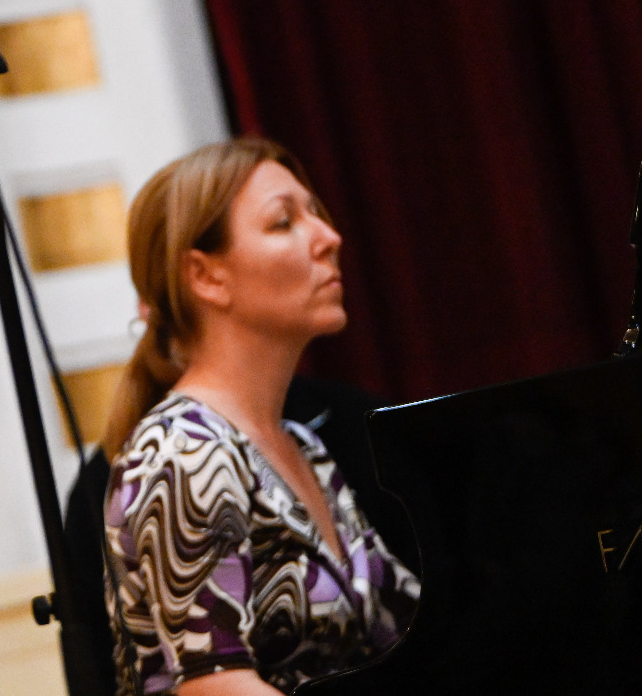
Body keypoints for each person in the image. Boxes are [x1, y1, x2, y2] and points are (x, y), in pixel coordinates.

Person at [99, 139, 421, 695]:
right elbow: (213, 688)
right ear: (206, 277)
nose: (330, 238)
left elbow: (409, 636)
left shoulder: (303, 446)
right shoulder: (183, 451)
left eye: (316, 213)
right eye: (283, 223)